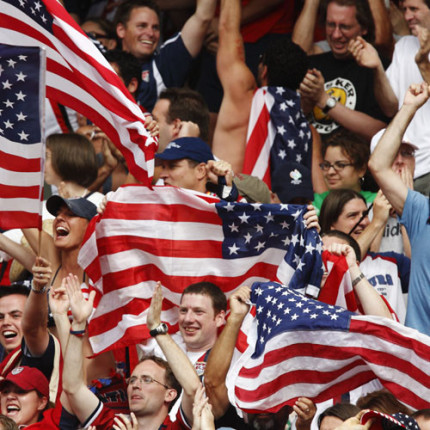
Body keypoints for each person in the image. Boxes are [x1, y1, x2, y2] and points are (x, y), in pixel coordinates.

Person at [59, 277, 201, 429]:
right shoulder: (115, 424)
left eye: (146, 380)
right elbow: (73, 387)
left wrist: (157, 329)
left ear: (170, 394)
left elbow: (193, 388)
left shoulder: (176, 427)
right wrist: (79, 323)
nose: (135, 385)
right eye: (132, 380)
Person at [368, 82, 430, 335]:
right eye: (398, 153)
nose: (401, 161)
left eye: (408, 154)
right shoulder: (422, 209)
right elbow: (379, 165)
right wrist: (409, 108)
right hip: (420, 355)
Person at [298, 0, 390, 141]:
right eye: (330, 25)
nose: (336, 34)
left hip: (354, 159)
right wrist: (306, 103)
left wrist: (323, 99)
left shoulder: (377, 68)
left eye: (344, 27)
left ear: (364, 28)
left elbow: (380, 132)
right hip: (311, 156)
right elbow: (289, 122)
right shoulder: (312, 64)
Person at [114, 0, 216, 111]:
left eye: (155, 27)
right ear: (121, 30)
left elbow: (203, 17)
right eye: (142, 26)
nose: (150, 33)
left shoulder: (165, 63)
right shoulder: (103, 62)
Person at [313, 128, 376, 214]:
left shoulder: (377, 202)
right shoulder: (313, 203)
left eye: (340, 165)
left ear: (361, 169)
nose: (330, 172)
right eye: (327, 165)